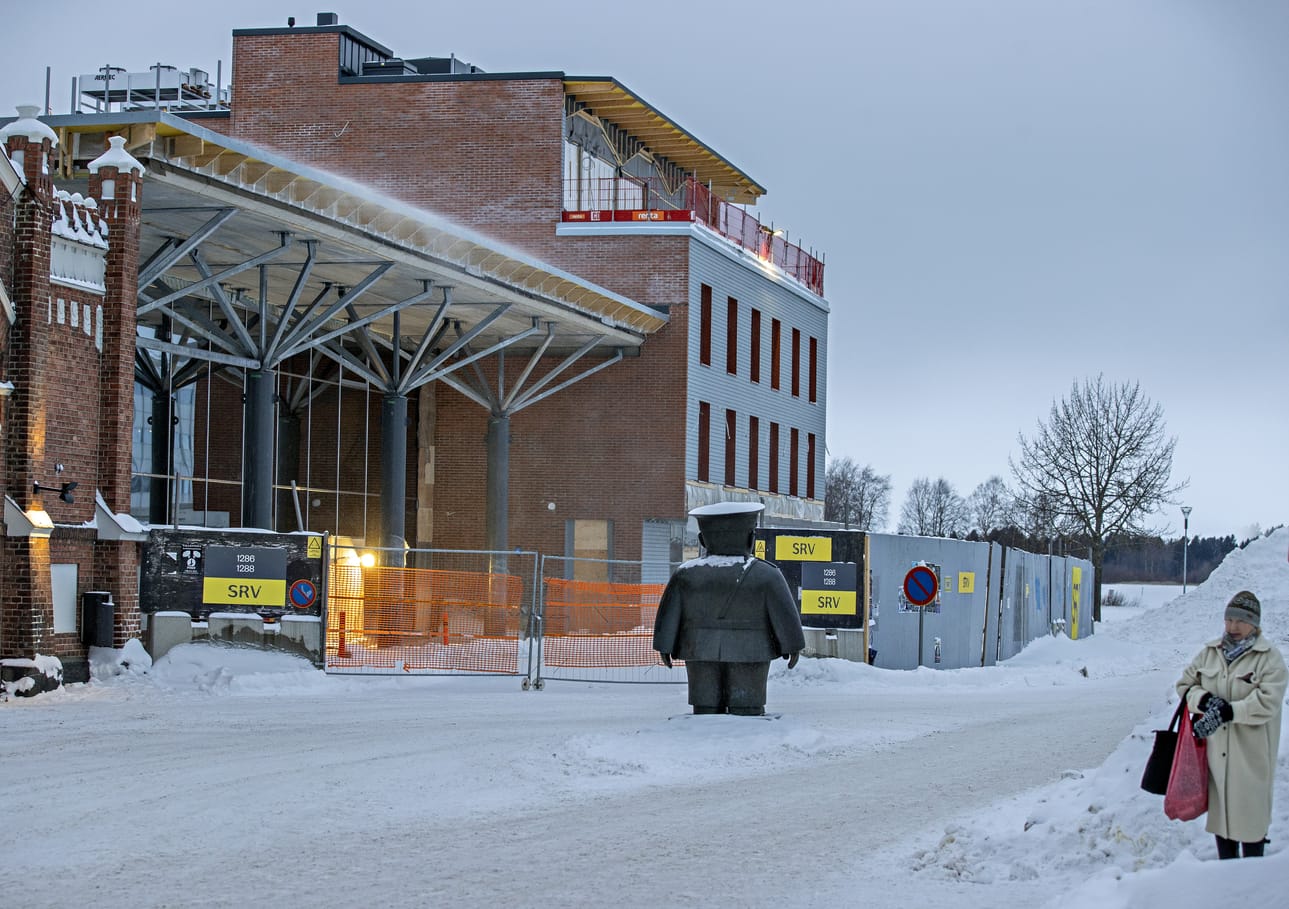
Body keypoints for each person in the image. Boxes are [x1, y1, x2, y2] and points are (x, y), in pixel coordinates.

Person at [652, 502, 805, 716]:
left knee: (705, 705)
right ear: (751, 539)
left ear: (703, 540)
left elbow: (669, 615)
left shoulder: (686, 574)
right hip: (752, 651)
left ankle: (704, 739)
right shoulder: (767, 575)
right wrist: (793, 645)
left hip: (699, 649)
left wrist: (664, 645)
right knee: (748, 706)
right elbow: (785, 614)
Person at [1175, 590, 1287, 859]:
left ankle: (1252, 881)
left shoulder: (1268, 658)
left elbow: (1268, 701)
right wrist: (1204, 701)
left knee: (1251, 821)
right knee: (1222, 822)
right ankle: (1225, 876)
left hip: (1251, 757)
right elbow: (1185, 685)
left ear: (1255, 623)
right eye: (1229, 620)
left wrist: (1230, 711)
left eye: (1240, 621)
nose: (1232, 627)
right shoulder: (1210, 653)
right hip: (1216, 757)